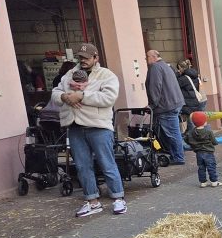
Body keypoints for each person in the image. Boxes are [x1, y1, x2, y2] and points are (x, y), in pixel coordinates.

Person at [51, 43, 127, 217]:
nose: (82, 61)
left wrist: (82, 96)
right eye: (80, 57)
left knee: (107, 164)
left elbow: (108, 98)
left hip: (98, 126)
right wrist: (64, 96)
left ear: (95, 58)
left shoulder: (106, 75)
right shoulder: (69, 74)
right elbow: (55, 92)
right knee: (83, 166)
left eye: (86, 58)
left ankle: (118, 198)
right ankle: (92, 201)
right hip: (75, 126)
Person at [144, 50, 186, 165]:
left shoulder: (155, 67)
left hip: (166, 106)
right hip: (174, 103)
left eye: (146, 57)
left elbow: (155, 87)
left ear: (152, 57)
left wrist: (152, 105)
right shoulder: (166, 66)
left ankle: (178, 156)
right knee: (174, 131)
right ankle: (176, 155)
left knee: (172, 133)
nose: (146, 60)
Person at [182, 111, 220, 187]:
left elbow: (186, 139)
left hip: (198, 153)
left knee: (201, 167)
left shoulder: (191, 132)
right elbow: (214, 142)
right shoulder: (208, 131)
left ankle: (203, 182)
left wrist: (192, 144)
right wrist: (215, 143)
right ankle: (214, 181)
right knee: (211, 166)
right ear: (204, 122)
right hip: (208, 152)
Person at [176, 59, 205, 131]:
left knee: (190, 121)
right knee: (194, 120)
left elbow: (175, 85)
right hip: (195, 100)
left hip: (188, 102)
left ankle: (192, 137)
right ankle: (196, 134)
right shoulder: (195, 75)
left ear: (180, 67)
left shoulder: (183, 78)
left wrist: (177, 74)